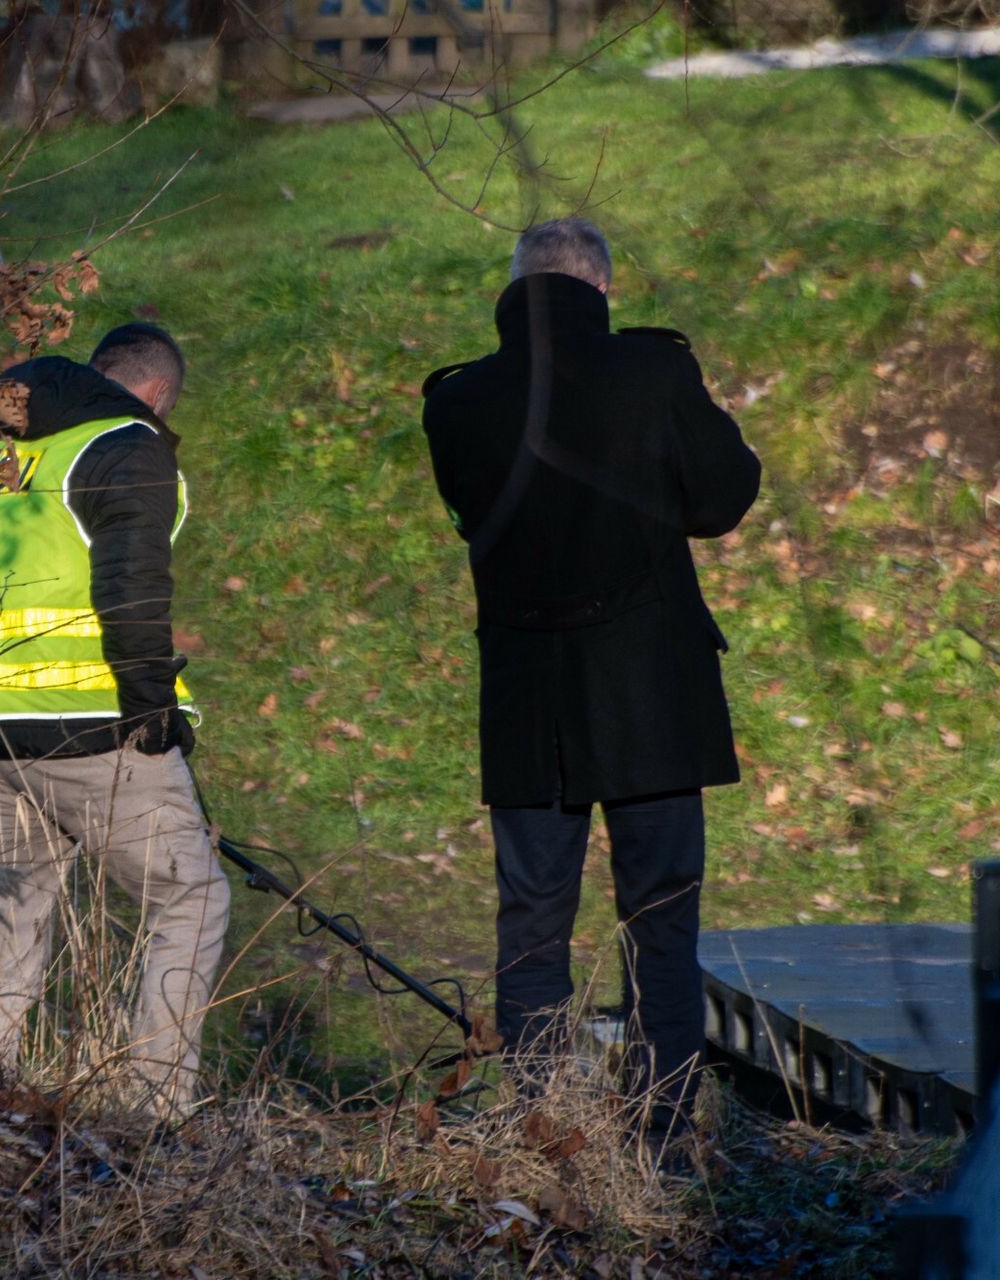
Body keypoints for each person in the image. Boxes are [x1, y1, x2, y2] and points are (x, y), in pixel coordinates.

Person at [420, 218, 761, 1165]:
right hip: (650, 689)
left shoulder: (455, 401)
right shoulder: (654, 374)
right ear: (600, 290)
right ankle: (658, 1136)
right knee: (660, 921)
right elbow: (723, 499)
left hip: (530, 700)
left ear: (516, 288)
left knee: (531, 924)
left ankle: (542, 1132)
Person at [0, 322, 229, 1117]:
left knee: (11, 909)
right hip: (92, 725)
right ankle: (153, 1111)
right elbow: (132, 591)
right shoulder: (126, 443)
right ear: (156, 395)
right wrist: (154, 713)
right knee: (189, 901)